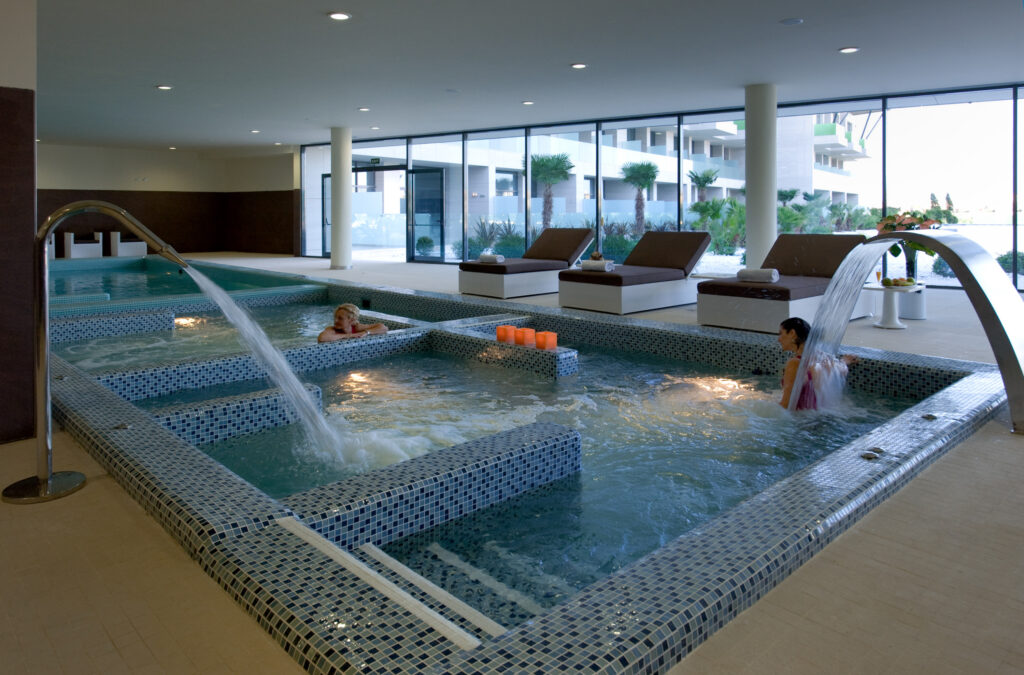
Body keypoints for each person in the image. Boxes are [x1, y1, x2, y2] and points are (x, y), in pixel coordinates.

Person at [778, 317, 855, 410]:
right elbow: (842, 369)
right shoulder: (824, 357)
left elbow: (786, 405)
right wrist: (844, 361)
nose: (779, 339)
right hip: (821, 416)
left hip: (801, 421)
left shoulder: (795, 364)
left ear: (792, 333)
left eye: (781, 333)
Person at [317, 303, 388, 343]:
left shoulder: (357, 327)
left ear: (351, 320)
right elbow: (322, 338)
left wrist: (366, 332)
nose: (335, 321)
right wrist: (348, 335)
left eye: (340, 318)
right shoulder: (332, 329)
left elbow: (383, 328)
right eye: (335, 317)